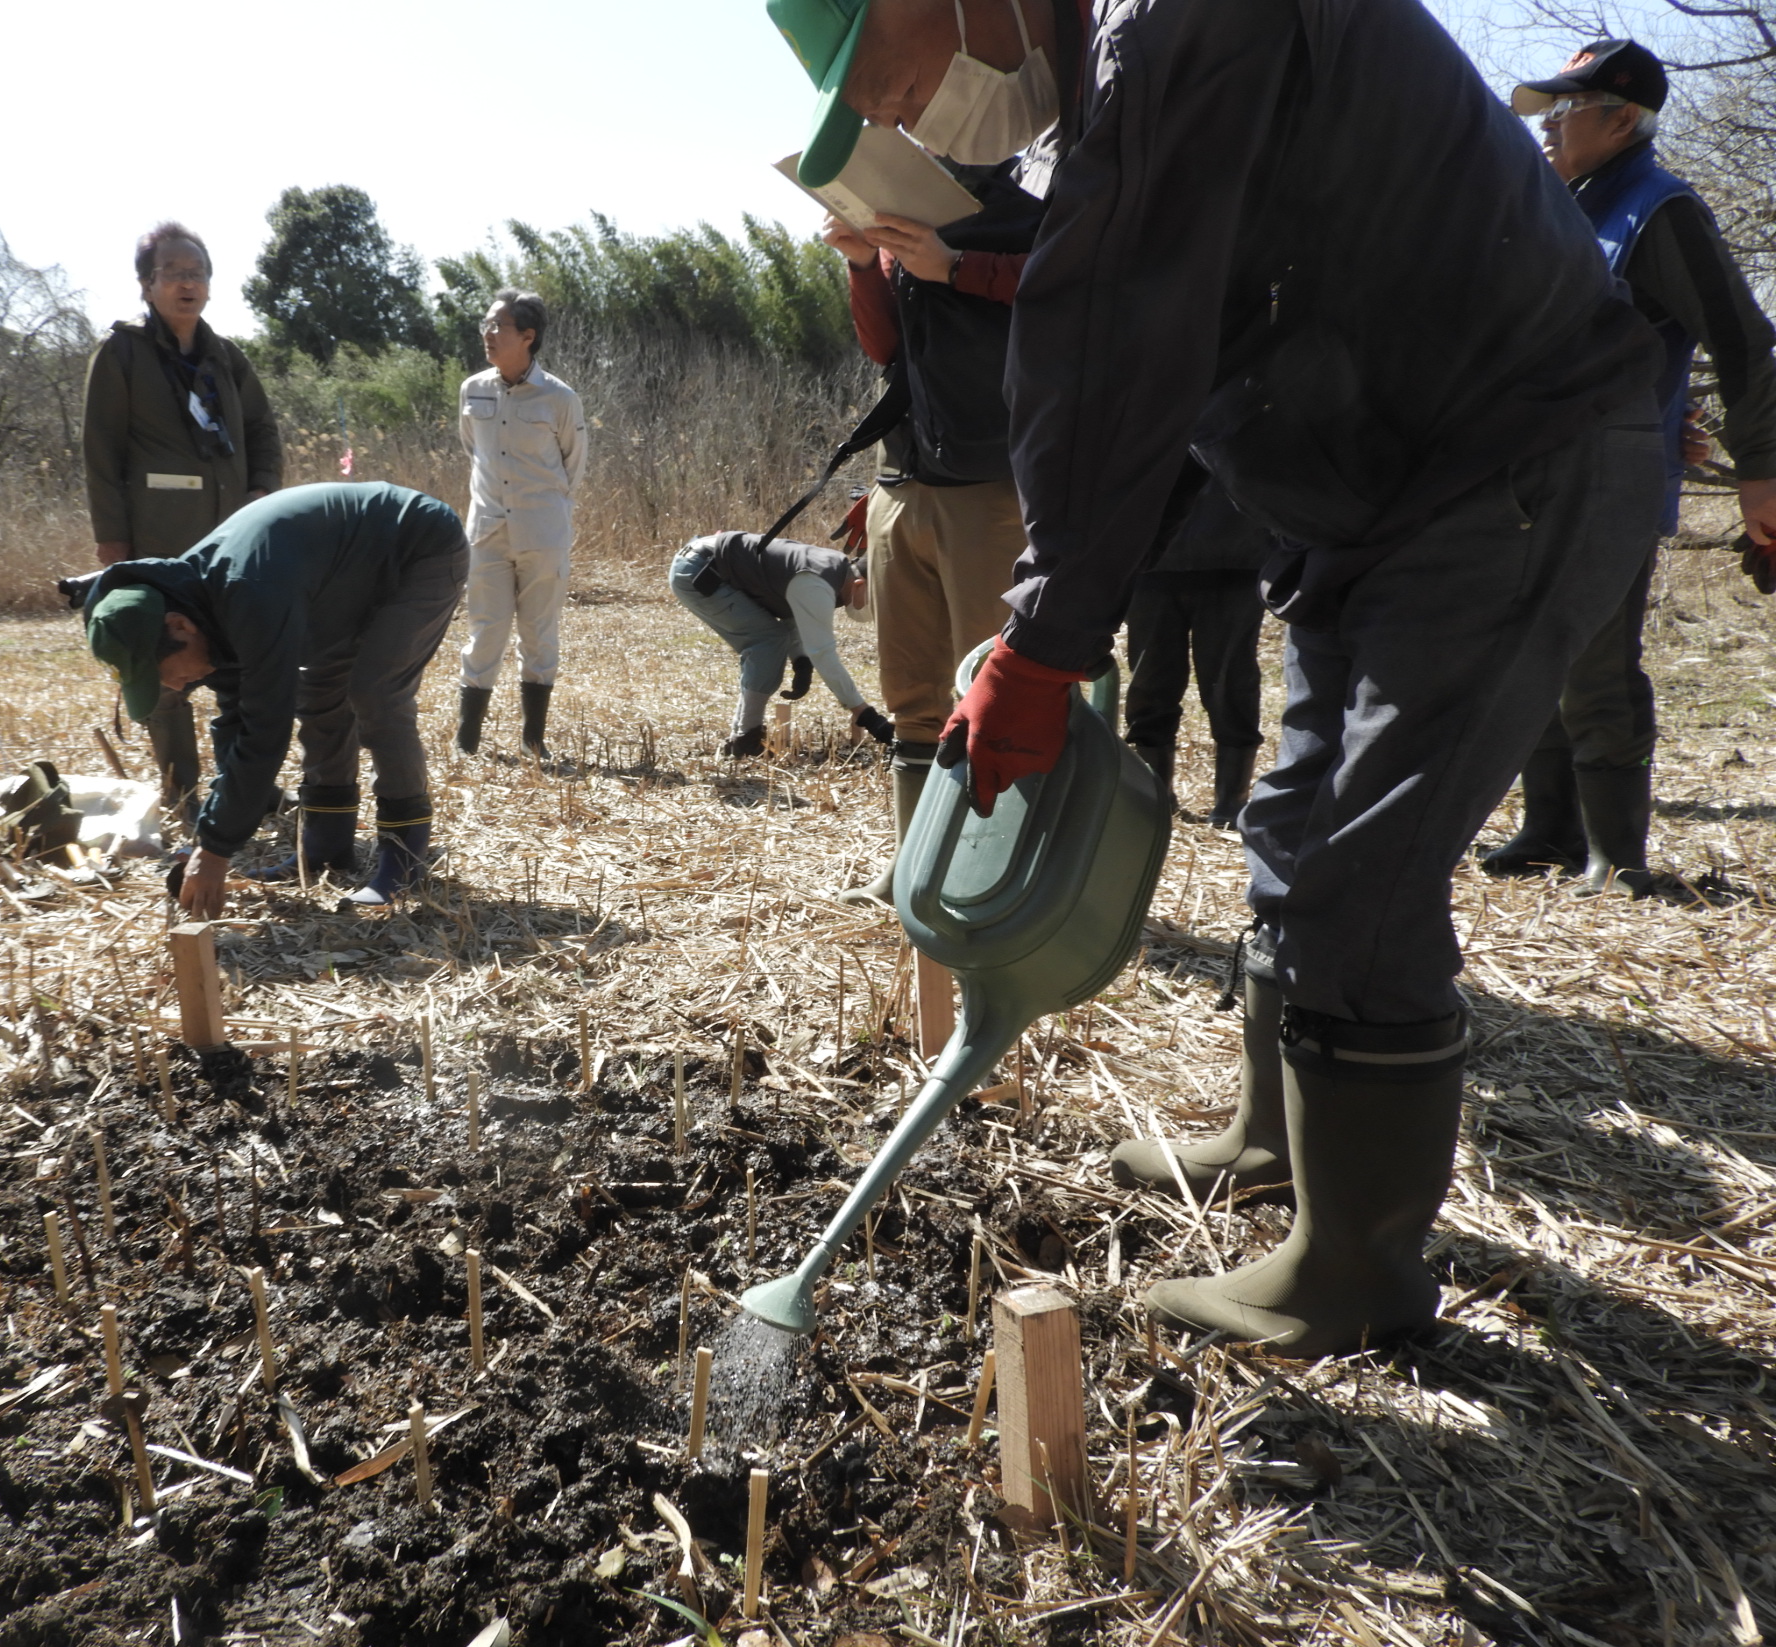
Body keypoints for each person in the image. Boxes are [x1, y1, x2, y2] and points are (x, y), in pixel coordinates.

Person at [771, 0, 1666, 1354]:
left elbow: (1117, 325)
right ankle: (1272, 1137)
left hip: (1510, 460)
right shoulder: (1120, 66)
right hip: (1377, 485)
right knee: (1290, 821)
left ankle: (1354, 1275)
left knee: (1363, 869)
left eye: (886, 80)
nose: (896, 123)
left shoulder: (1177, 20)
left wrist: (1047, 632)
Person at [1481, 40, 1776, 893]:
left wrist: (1760, 472)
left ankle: (1619, 853)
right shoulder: (1562, 202)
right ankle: (1548, 831)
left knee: (1598, 668)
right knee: (1533, 657)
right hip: (1531, 480)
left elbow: (1745, 344)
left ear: (1621, 119)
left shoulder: (1661, 208)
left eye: (1563, 111)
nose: (1546, 128)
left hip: (1610, 485)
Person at [81, 483, 468, 916]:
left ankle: (404, 861)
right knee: (320, 693)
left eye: (165, 675)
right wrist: (212, 830)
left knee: (376, 693)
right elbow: (238, 723)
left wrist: (215, 852)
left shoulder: (246, 591)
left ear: (178, 627)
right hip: (342, 574)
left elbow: (266, 729)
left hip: (418, 545)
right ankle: (326, 845)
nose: (175, 688)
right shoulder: (198, 604)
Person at [819, 154, 1041, 904]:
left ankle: (997, 879)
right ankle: (914, 869)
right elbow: (888, 350)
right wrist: (861, 264)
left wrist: (956, 266)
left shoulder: (1041, 194)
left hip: (991, 491)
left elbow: (1077, 296)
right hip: (902, 485)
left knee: (996, 702)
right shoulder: (905, 202)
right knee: (913, 701)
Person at [83, 222, 283, 825]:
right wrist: (114, 544)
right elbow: (101, 451)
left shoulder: (226, 356)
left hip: (232, 539)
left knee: (235, 661)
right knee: (163, 665)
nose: (187, 284)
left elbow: (262, 433)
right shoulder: (122, 355)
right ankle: (184, 796)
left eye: (197, 274)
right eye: (174, 274)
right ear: (147, 285)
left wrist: (261, 495)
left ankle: (244, 788)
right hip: (157, 537)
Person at [453, 288, 588, 760]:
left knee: (539, 633)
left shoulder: (560, 398)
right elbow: (475, 451)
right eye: (485, 325)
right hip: (487, 531)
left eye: (498, 327)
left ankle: (534, 742)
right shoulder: (473, 389)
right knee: (484, 631)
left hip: (543, 534)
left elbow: (574, 465)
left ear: (527, 336)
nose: (487, 334)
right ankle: (466, 742)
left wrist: (539, 506)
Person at [1120, 482, 1271, 827]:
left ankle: (1231, 801)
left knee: (1230, 681)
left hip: (1235, 553)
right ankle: (1157, 795)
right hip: (1151, 557)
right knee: (1150, 680)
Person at [668, 530, 895, 756]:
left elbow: (790, 613)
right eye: (874, 598)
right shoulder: (817, 581)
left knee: (769, 640)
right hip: (698, 570)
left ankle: (741, 736)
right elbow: (824, 654)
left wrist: (801, 662)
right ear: (859, 584)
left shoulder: (831, 570)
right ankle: (746, 739)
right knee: (767, 642)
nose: (874, 608)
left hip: (700, 560)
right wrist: (866, 715)